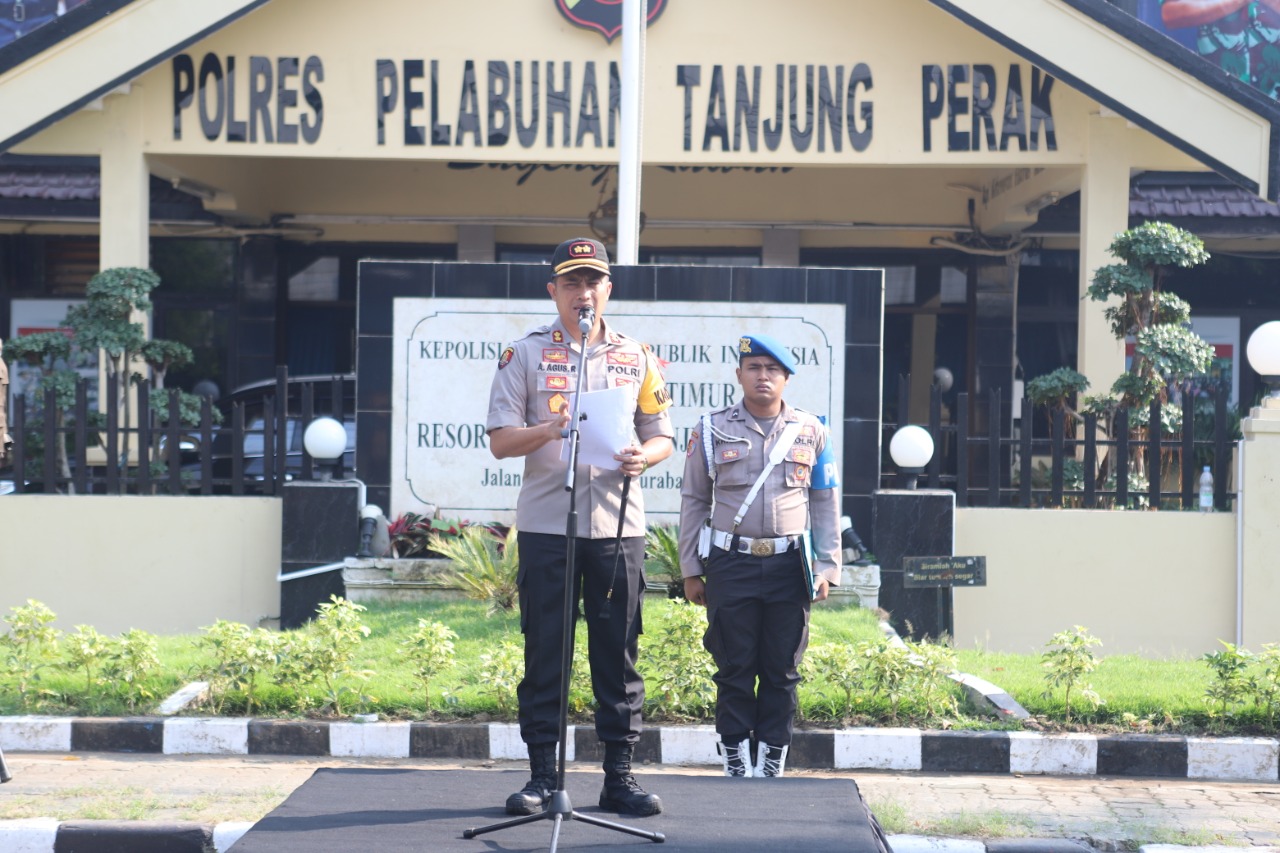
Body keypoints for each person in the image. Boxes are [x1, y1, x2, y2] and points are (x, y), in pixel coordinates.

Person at [486, 237, 674, 817]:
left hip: (619, 524)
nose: (583, 292)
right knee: (547, 650)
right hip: (549, 525)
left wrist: (645, 456)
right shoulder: (524, 355)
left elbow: (662, 435)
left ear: (608, 289)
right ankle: (543, 777)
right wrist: (547, 430)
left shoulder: (637, 357)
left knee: (617, 652)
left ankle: (619, 777)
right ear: (554, 291)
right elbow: (500, 441)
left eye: (593, 281)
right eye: (572, 282)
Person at [678, 333, 841, 779]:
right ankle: (734, 753)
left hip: (790, 565)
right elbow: (694, 499)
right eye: (754, 368)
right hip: (731, 563)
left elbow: (825, 501)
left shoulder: (811, 430)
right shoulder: (711, 430)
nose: (763, 376)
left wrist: (827, 567)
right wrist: (691, 569)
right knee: (733, 665)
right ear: (739, 375)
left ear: (786, 378)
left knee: (782, 667)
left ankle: (772, 757)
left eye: (772, 370)